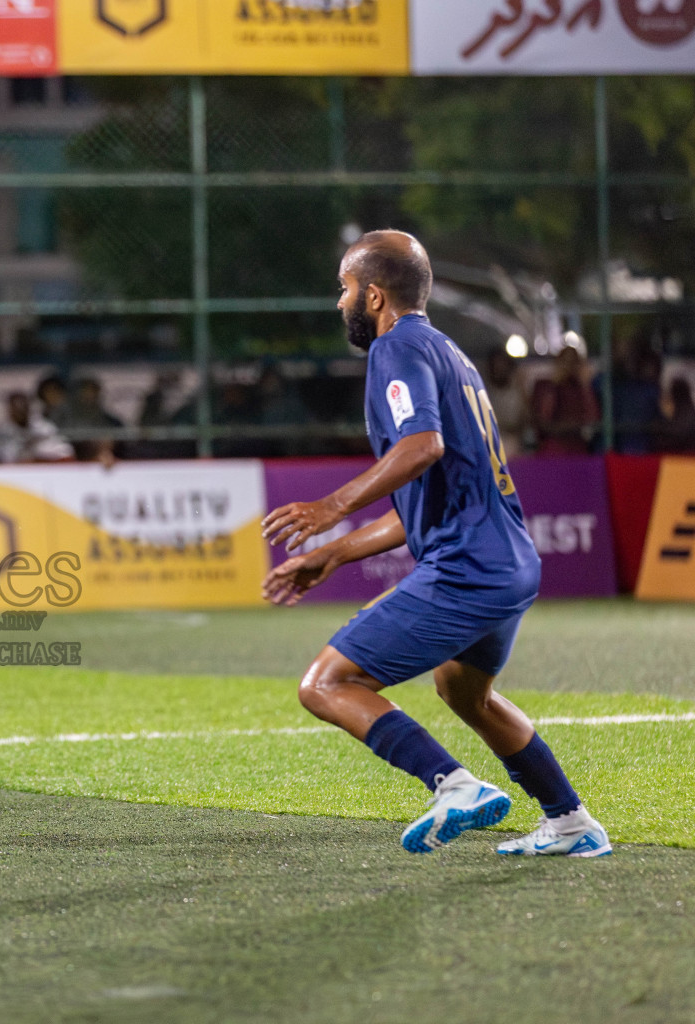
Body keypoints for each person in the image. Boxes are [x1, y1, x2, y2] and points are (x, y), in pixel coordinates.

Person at [260, 230, 610, 858]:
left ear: (373, 296)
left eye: (343, 290)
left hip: (470, 566)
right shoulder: (448, 352)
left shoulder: (396, 348)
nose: (338, 303)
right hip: (507, 561)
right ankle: (570, 821)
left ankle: (454, 785)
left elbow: (423, 447)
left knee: (326, 684)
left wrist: (331, 507)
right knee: (464, 692)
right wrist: (332, 552)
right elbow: (417, 504)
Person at [0, 391, 73, 463]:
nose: (19, 411)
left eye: (22, 406)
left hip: (51, 464)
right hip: (21, 468)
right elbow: (8, 457)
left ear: (28, 407)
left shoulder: (43, 426)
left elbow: (65, 451)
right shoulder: (7, 430)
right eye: (15, 407)